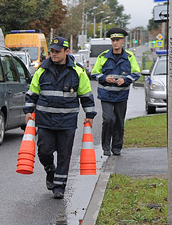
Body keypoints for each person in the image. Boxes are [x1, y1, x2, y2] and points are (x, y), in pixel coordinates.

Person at [24, 36, 97, 199]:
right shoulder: (42, 70)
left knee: (64, 155)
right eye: (51, 51)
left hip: (67, 123)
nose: (53, 54)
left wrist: (90, 114)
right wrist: (28, 111)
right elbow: (32, 93)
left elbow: (86, 95)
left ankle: (59, 186)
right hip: (45, 121)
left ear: (66, 51)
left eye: (57, 51)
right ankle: (50, 170)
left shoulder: (78, 72)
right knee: (44, 152)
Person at [90, 27, 141, 156]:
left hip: (121, 95)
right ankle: (106, 147)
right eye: (113, 40)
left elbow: (136, 73)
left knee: (119, 121)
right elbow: (95, 73)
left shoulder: (129, 57)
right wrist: (105, 78)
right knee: (108, 120)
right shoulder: (103, 56)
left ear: (122, 41)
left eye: (117, 40)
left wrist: (125, 80)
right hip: (106, 94)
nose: (115, 43)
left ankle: (116, 147)